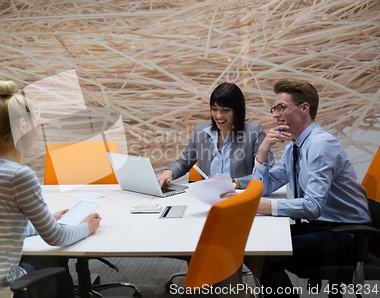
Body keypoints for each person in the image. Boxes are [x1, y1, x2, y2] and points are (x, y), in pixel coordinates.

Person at [0, 80, 101, 298]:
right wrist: (86, 227)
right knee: (57, 259)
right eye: (36, 125)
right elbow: (57, 238)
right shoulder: (20, 175)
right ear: (23, 127)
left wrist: (44, 220)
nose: (37, 133)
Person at [248, 79, 371, 297]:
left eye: (281, 107)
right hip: (322, 227)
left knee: (262, 254)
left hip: (347, 235)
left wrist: (259, 207)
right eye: (274, 108)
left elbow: (312, 206)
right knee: (255, 246)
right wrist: (263, 150)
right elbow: (264, 187)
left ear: (304, 108)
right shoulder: (294, 147)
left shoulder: (320, 145)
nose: (276, 114)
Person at [157, 82, 273, 189]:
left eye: (225, 110)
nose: (218, 115)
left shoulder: (254, 132)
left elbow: (268, 173)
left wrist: (235, 183)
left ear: (237, 111)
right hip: (209, 198)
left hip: (241, 197)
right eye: (214, 109)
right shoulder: (201, 132)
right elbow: (183, 162)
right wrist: (168, 172)